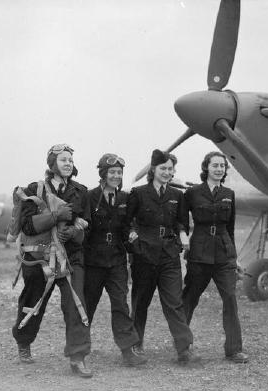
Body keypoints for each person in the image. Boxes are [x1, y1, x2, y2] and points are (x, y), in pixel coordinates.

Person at [11, 143, 93, 378]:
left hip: (70, 257)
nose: (68, 163)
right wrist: (56, 216)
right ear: (52, 164)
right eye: (63, 159)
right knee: (33, 301)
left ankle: (78, 357)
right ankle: (23, 342)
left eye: (70, 160)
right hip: (39, 258)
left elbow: (88, 226)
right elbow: (27, 225)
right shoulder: (34, 189)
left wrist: (74, 233)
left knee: (75, 303)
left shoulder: (81, 191)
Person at [126, 149, 199, 364]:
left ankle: (184, 347)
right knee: (140, 302)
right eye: (163, 168)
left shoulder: (177, 196)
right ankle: (135, 345)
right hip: (144, 255)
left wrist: (180, 241)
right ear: (153, 169)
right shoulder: (138, 193)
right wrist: (135, 242)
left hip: (169, 255)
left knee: (174, 302)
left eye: (170, 169)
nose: (167, 172)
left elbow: (181, 223)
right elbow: (127, 222)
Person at [181, 151, 249, 363]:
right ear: (206, 168)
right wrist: (183, 239)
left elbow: (230, 228)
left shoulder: (229, 193)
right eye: (215, 165)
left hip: (223, 254)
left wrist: (234, 258)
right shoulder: (192, 193)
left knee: (230, 299)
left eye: (222, 166)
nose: (219, 169)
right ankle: (183, 347)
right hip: (199, 253)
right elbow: (182, 223)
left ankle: (234, 349)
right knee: (189, 298)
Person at [83, 154, 147, 367]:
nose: (116, 176)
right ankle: (80, 350)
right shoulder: (90, 197)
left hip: (117, 260)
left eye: (119, 173)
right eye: (112, 172)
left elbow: (129, 224)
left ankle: (127, 350)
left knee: (120, 304)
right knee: (88, 305)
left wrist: (132, 235)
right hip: (93, 261)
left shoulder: (125, 199)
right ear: (103, 174)